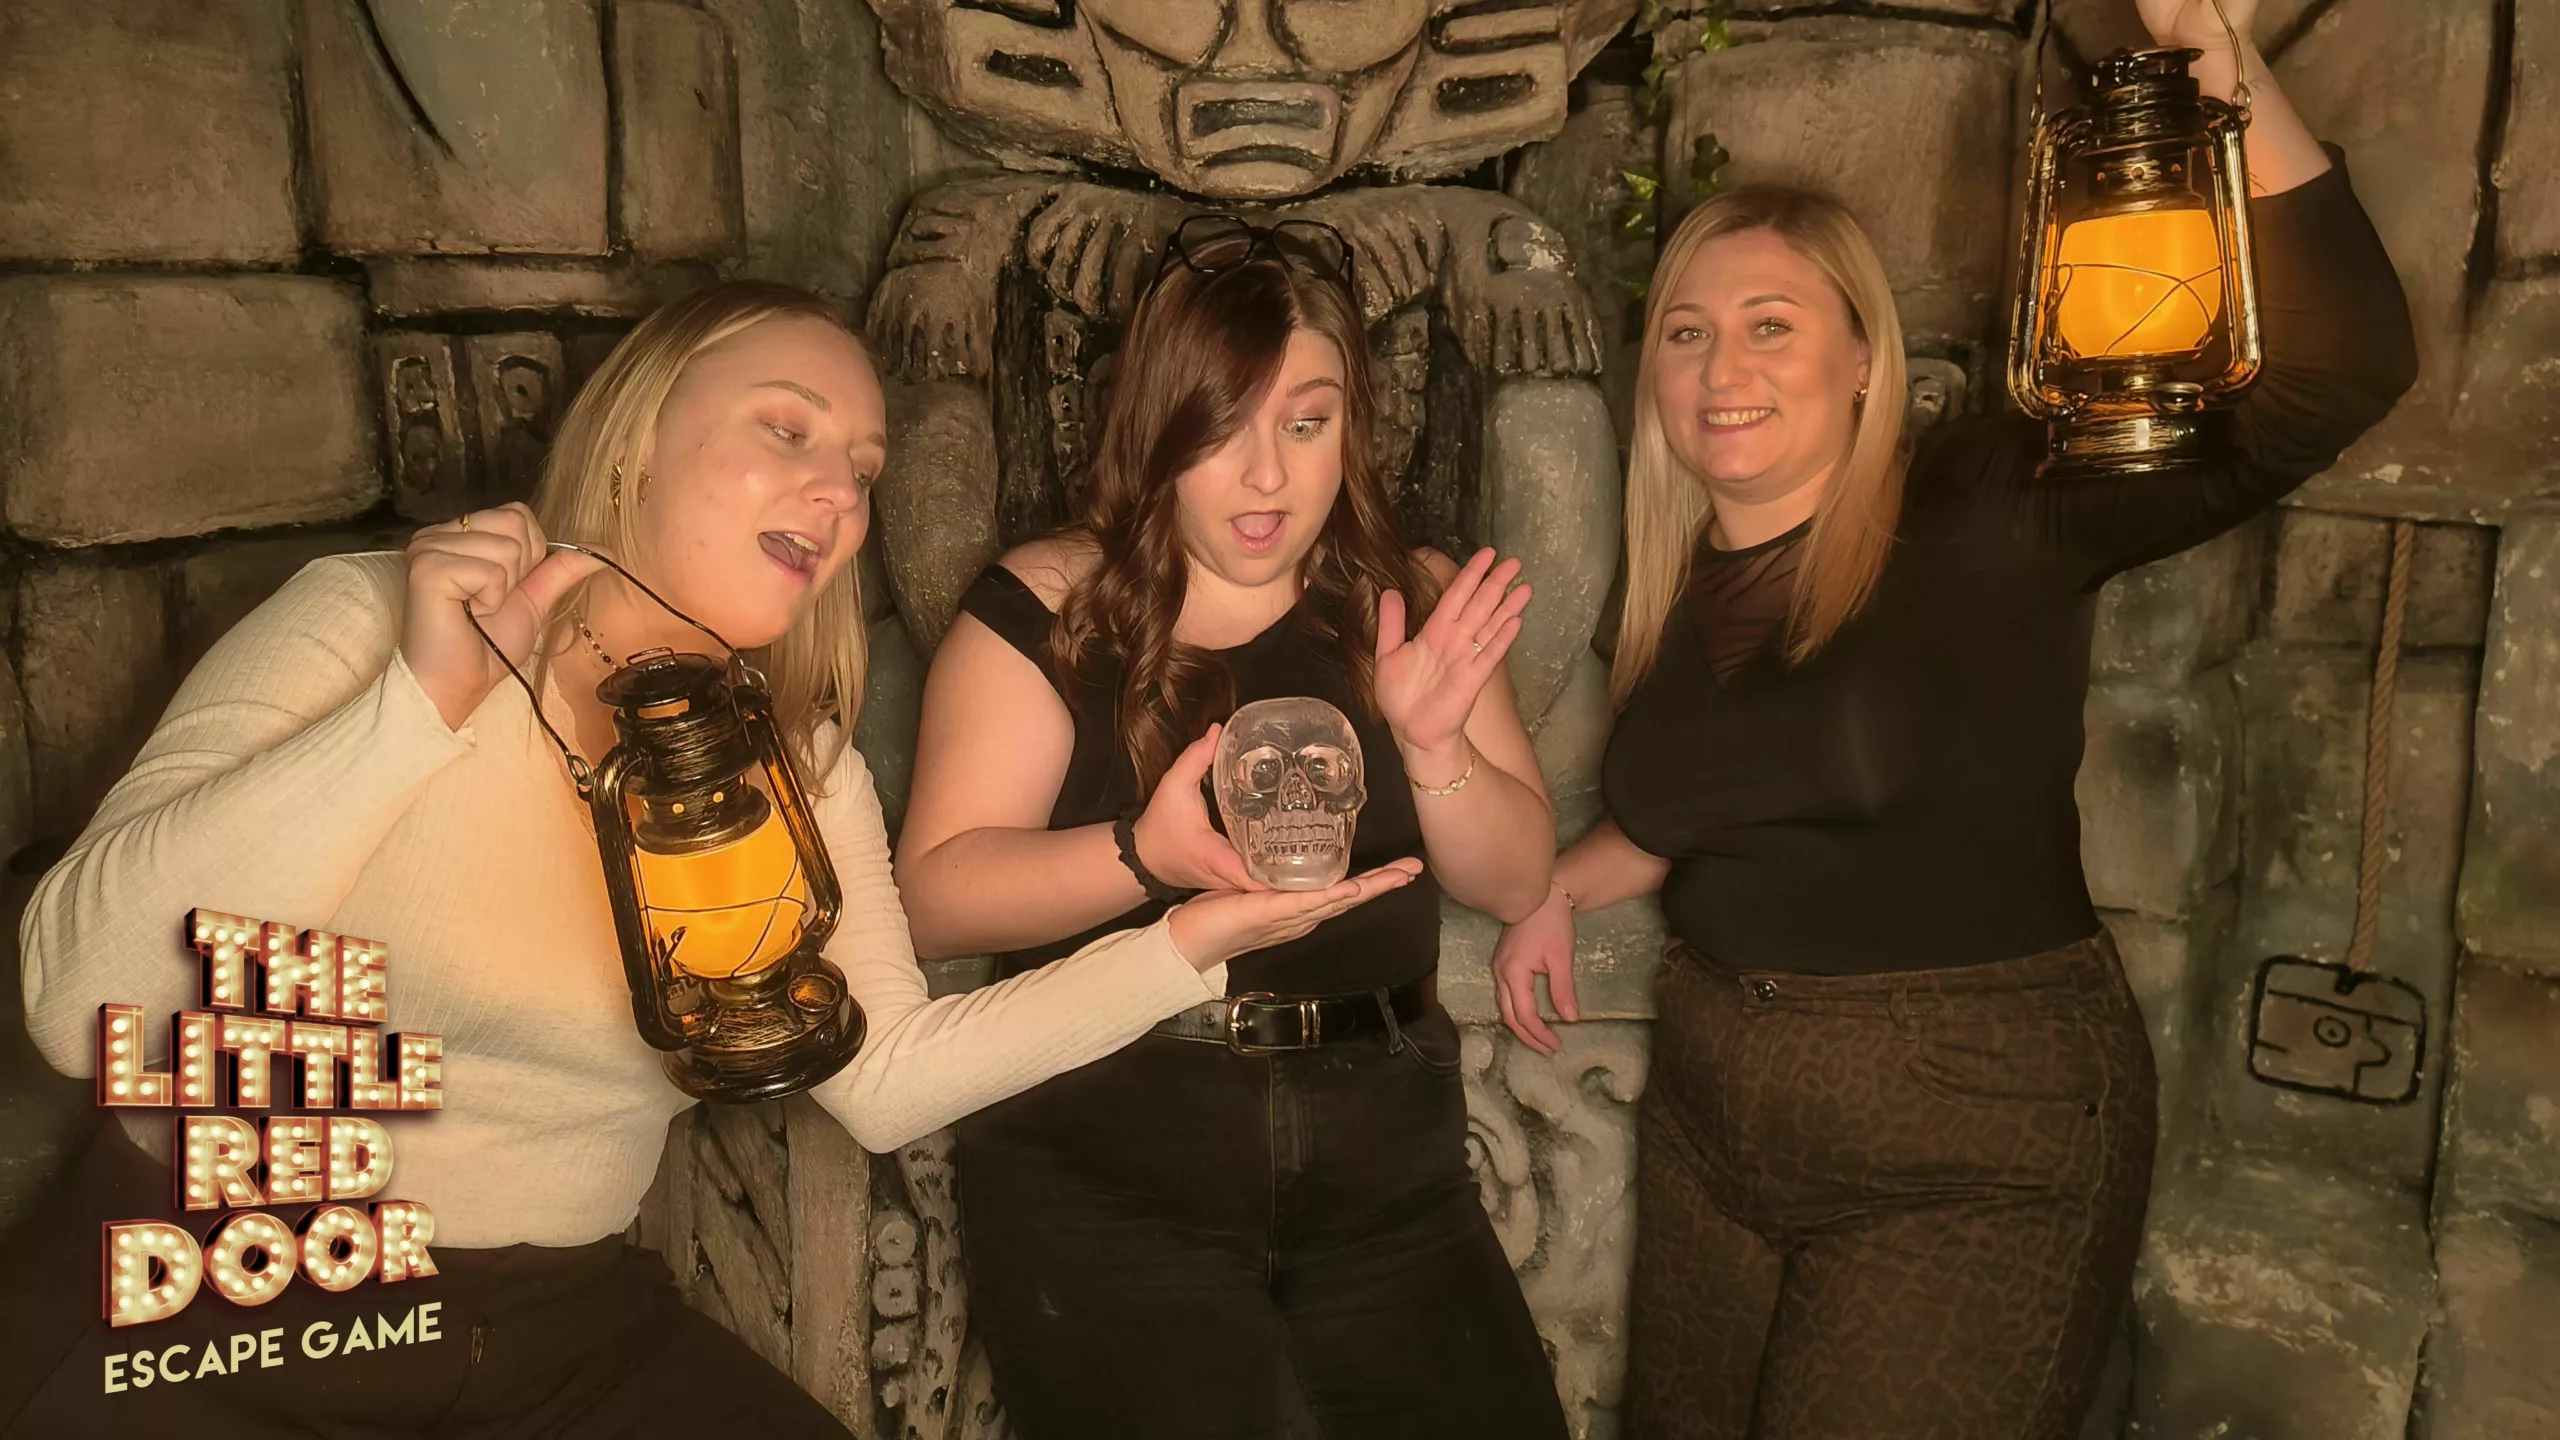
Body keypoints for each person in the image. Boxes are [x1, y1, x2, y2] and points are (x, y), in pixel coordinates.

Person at [3, 280, 1404, 1438]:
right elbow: (78, 1003)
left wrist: (1188, 938)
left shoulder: (797, 762)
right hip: (224, 1304)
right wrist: (414, 712)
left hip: (549, 1334)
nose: (838, 492)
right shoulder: (370, 620)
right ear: (636, 441)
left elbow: (883, 1082)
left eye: (862, 469)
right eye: (786, 429)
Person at [1486, 2, 2417, 1436]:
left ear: (1863, 359)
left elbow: (2334, 376)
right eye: (1687, 332)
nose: (1723, 369)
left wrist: (2206, 39)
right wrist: (1557, 886)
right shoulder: (1673, 582)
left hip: (1971, 1129)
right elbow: (1703, 811)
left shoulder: (1988, 501)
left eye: (1771, 326)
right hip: (1715, 1127)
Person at [893, 216, 1567, 1439]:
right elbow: (936, 895)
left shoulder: (1407, 598)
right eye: (1223, 428)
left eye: (1305, 424)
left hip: (1384, 1151)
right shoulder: (1045, 605)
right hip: (1106, 1152)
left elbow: (1520, 880)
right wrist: (1139, 857)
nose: (1268, 478)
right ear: (1158, 426)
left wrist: (1436, 748)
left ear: (1350, 427)